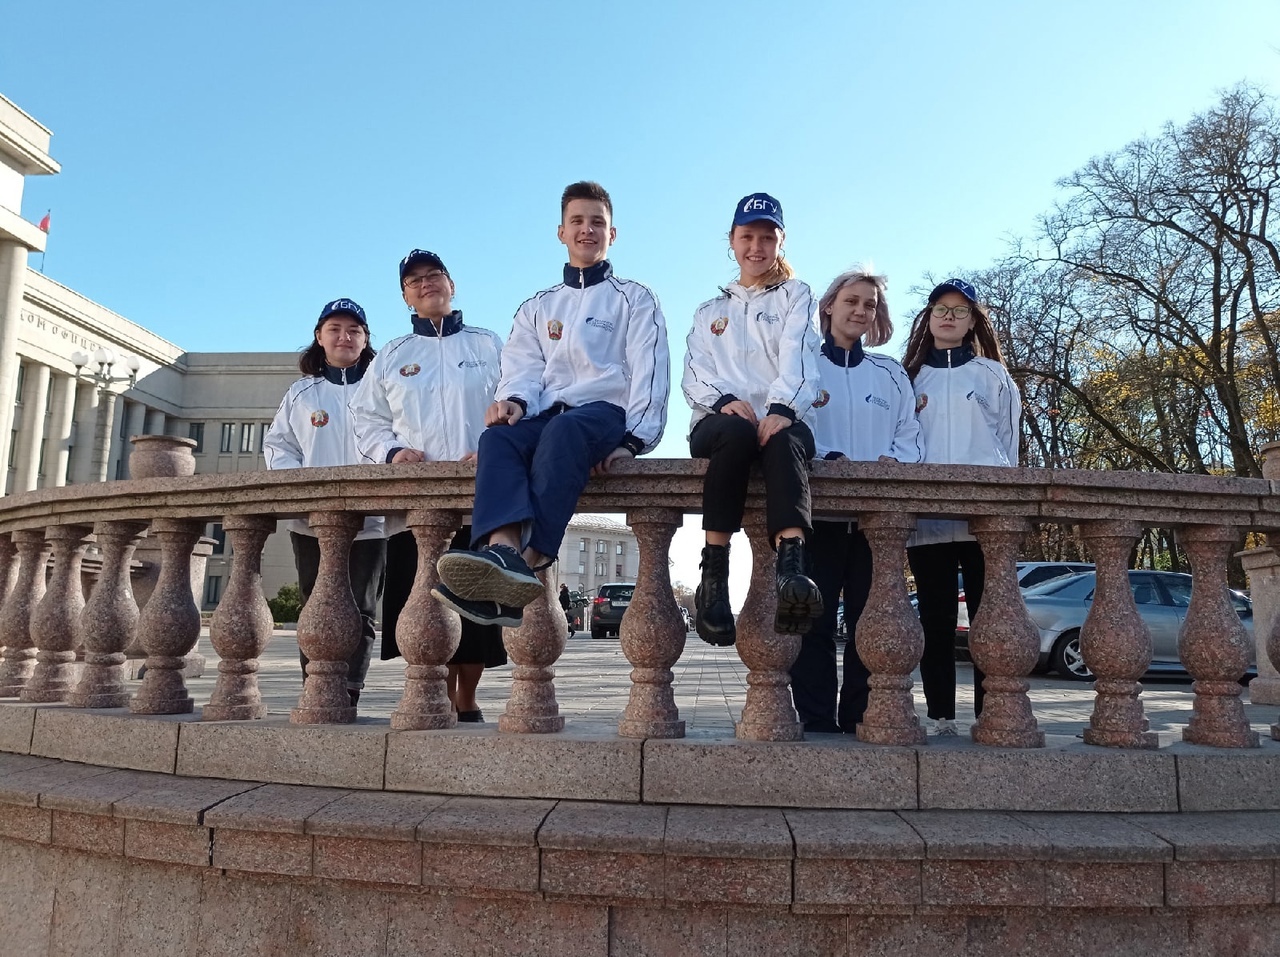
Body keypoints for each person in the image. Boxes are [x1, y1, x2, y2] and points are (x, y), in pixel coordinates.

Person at [432, 181, 670, 625]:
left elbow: (650, 371)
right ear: (561, 232)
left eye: (597, 222)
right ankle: (503, 551)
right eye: (577, 221)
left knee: (565, 429)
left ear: (612, 234)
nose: (587, 230)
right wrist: (514, 402)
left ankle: (529, 560)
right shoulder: (537, 307)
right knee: (496, 439)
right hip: (546, 415)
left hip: (603, 414)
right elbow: (522, 367)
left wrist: (635, 441)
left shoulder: (634, 298)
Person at [350, 250, 505, 722]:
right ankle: (429, 687)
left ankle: (466, 697)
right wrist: (393, 452)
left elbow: (519, 401)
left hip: (479, 497)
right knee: (421, 600)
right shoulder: (393, 355)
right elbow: (367, 418)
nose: (425, 284)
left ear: (451, 285)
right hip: (415, 504)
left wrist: (495, 446)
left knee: (475, 606)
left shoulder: (489, 344)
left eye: (434, 275)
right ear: (405, 297)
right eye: (414, 281)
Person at [682, 192, 824, 646]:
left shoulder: (796, 295)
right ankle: (714, 579)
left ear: (781, 242)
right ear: (732, 240)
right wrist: (723, 399)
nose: (756, 247)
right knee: (736, 433)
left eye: (767, 237)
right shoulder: (709, 311)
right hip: (718, 421)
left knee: (785, 441)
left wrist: (782, 408)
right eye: (747, 237)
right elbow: (694, 372)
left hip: (783, 415)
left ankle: (792, 570)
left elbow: (799, 355)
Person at [790, 267, 923, 734]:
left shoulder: (889, 373)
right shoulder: (803, 363)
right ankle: (815, 717)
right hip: (819, 516)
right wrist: (828, 457)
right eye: (851, 301)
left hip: (875, 524)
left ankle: (860, 713)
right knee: (815, 620)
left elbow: (910, 434)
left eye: (870, 304)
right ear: (829, 306)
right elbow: (792, 424)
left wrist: (893, 461)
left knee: (872, 619)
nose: (860, 310)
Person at [901, 277, 1021, 735]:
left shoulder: (993, 375)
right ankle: (941, 716)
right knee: (935, 619)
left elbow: (1008, 442)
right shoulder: (909, 377)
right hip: (928, 521)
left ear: (972, 321)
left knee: (990, 616)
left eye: (959, 310)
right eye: (940, 309)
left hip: (983, 520)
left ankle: (992, 712)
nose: (948, 317)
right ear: (928, 318)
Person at [263, 298, 386, 707]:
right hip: (312, 522)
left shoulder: (383, 389)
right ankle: (315, 686)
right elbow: (279, 446)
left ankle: (349, 690)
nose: (344, 337)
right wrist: (302, 491)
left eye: (354, 330)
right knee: (314, 604)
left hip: (371, 521)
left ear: (365, 339)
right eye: (335, 329)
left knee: (362, 607)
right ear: (320, 337)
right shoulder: (302, 393)